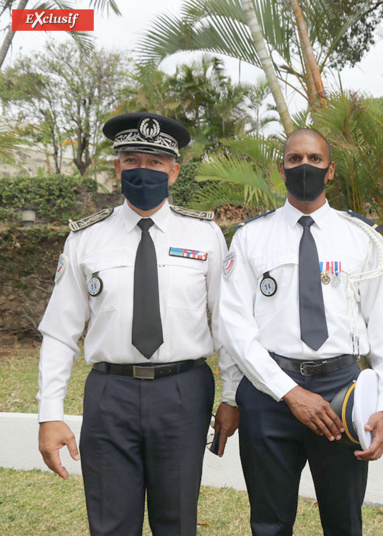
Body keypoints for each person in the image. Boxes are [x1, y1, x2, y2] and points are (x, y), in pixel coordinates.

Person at [36, 112, 241, 536]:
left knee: (176, 522)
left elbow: (227, 325)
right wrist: (49, 414)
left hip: (183, 392)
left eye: (155, 163)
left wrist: (232, 396)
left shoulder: (205, 235)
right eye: (131, 161)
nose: (142, 171)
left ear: (174, 170)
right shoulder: (85, 239)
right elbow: (60, 331)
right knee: (110, 523)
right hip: (111, 394)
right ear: (117, 167)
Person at [218, 128, 383, 536]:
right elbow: (234, 328)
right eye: (295, 159)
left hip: (343, 392)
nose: (305, 166)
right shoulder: (251, 237)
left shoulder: (362, 238)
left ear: (331, 170)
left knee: (344, 523)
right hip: (270, 394)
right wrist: (288, 392)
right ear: (281, 169)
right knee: (269, 524)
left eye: (315, 160)